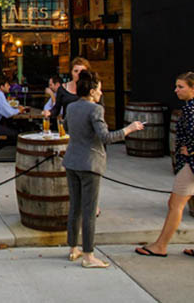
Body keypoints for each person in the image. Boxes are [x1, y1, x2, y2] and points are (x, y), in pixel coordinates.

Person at [63, 70, 144, 268]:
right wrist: (130, 129)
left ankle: (73, 248)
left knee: (75, 207)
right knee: (89, 211)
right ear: (92, 91)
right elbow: (106, 137)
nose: (101, 93)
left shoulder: (71, 107)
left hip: (72, 160)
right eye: (99, 89)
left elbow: (65, 126)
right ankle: (89, 255)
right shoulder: (95, 109)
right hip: (90, 163)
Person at [136, 72, 194, 262]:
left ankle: (160, 245)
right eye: (176, 86)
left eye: (181, 87)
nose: (176, 90)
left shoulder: (190, 108)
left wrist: (189, 149)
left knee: (175, 204)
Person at [47, 57, 91, 122]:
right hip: (69, 126)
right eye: (76, 71)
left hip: (86, 125)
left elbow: (99, 107)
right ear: (71, 72)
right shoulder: (62, 88)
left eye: (82, 71)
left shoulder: (92, 88)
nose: (78, 74)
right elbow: (56, 109)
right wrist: (49, 112)